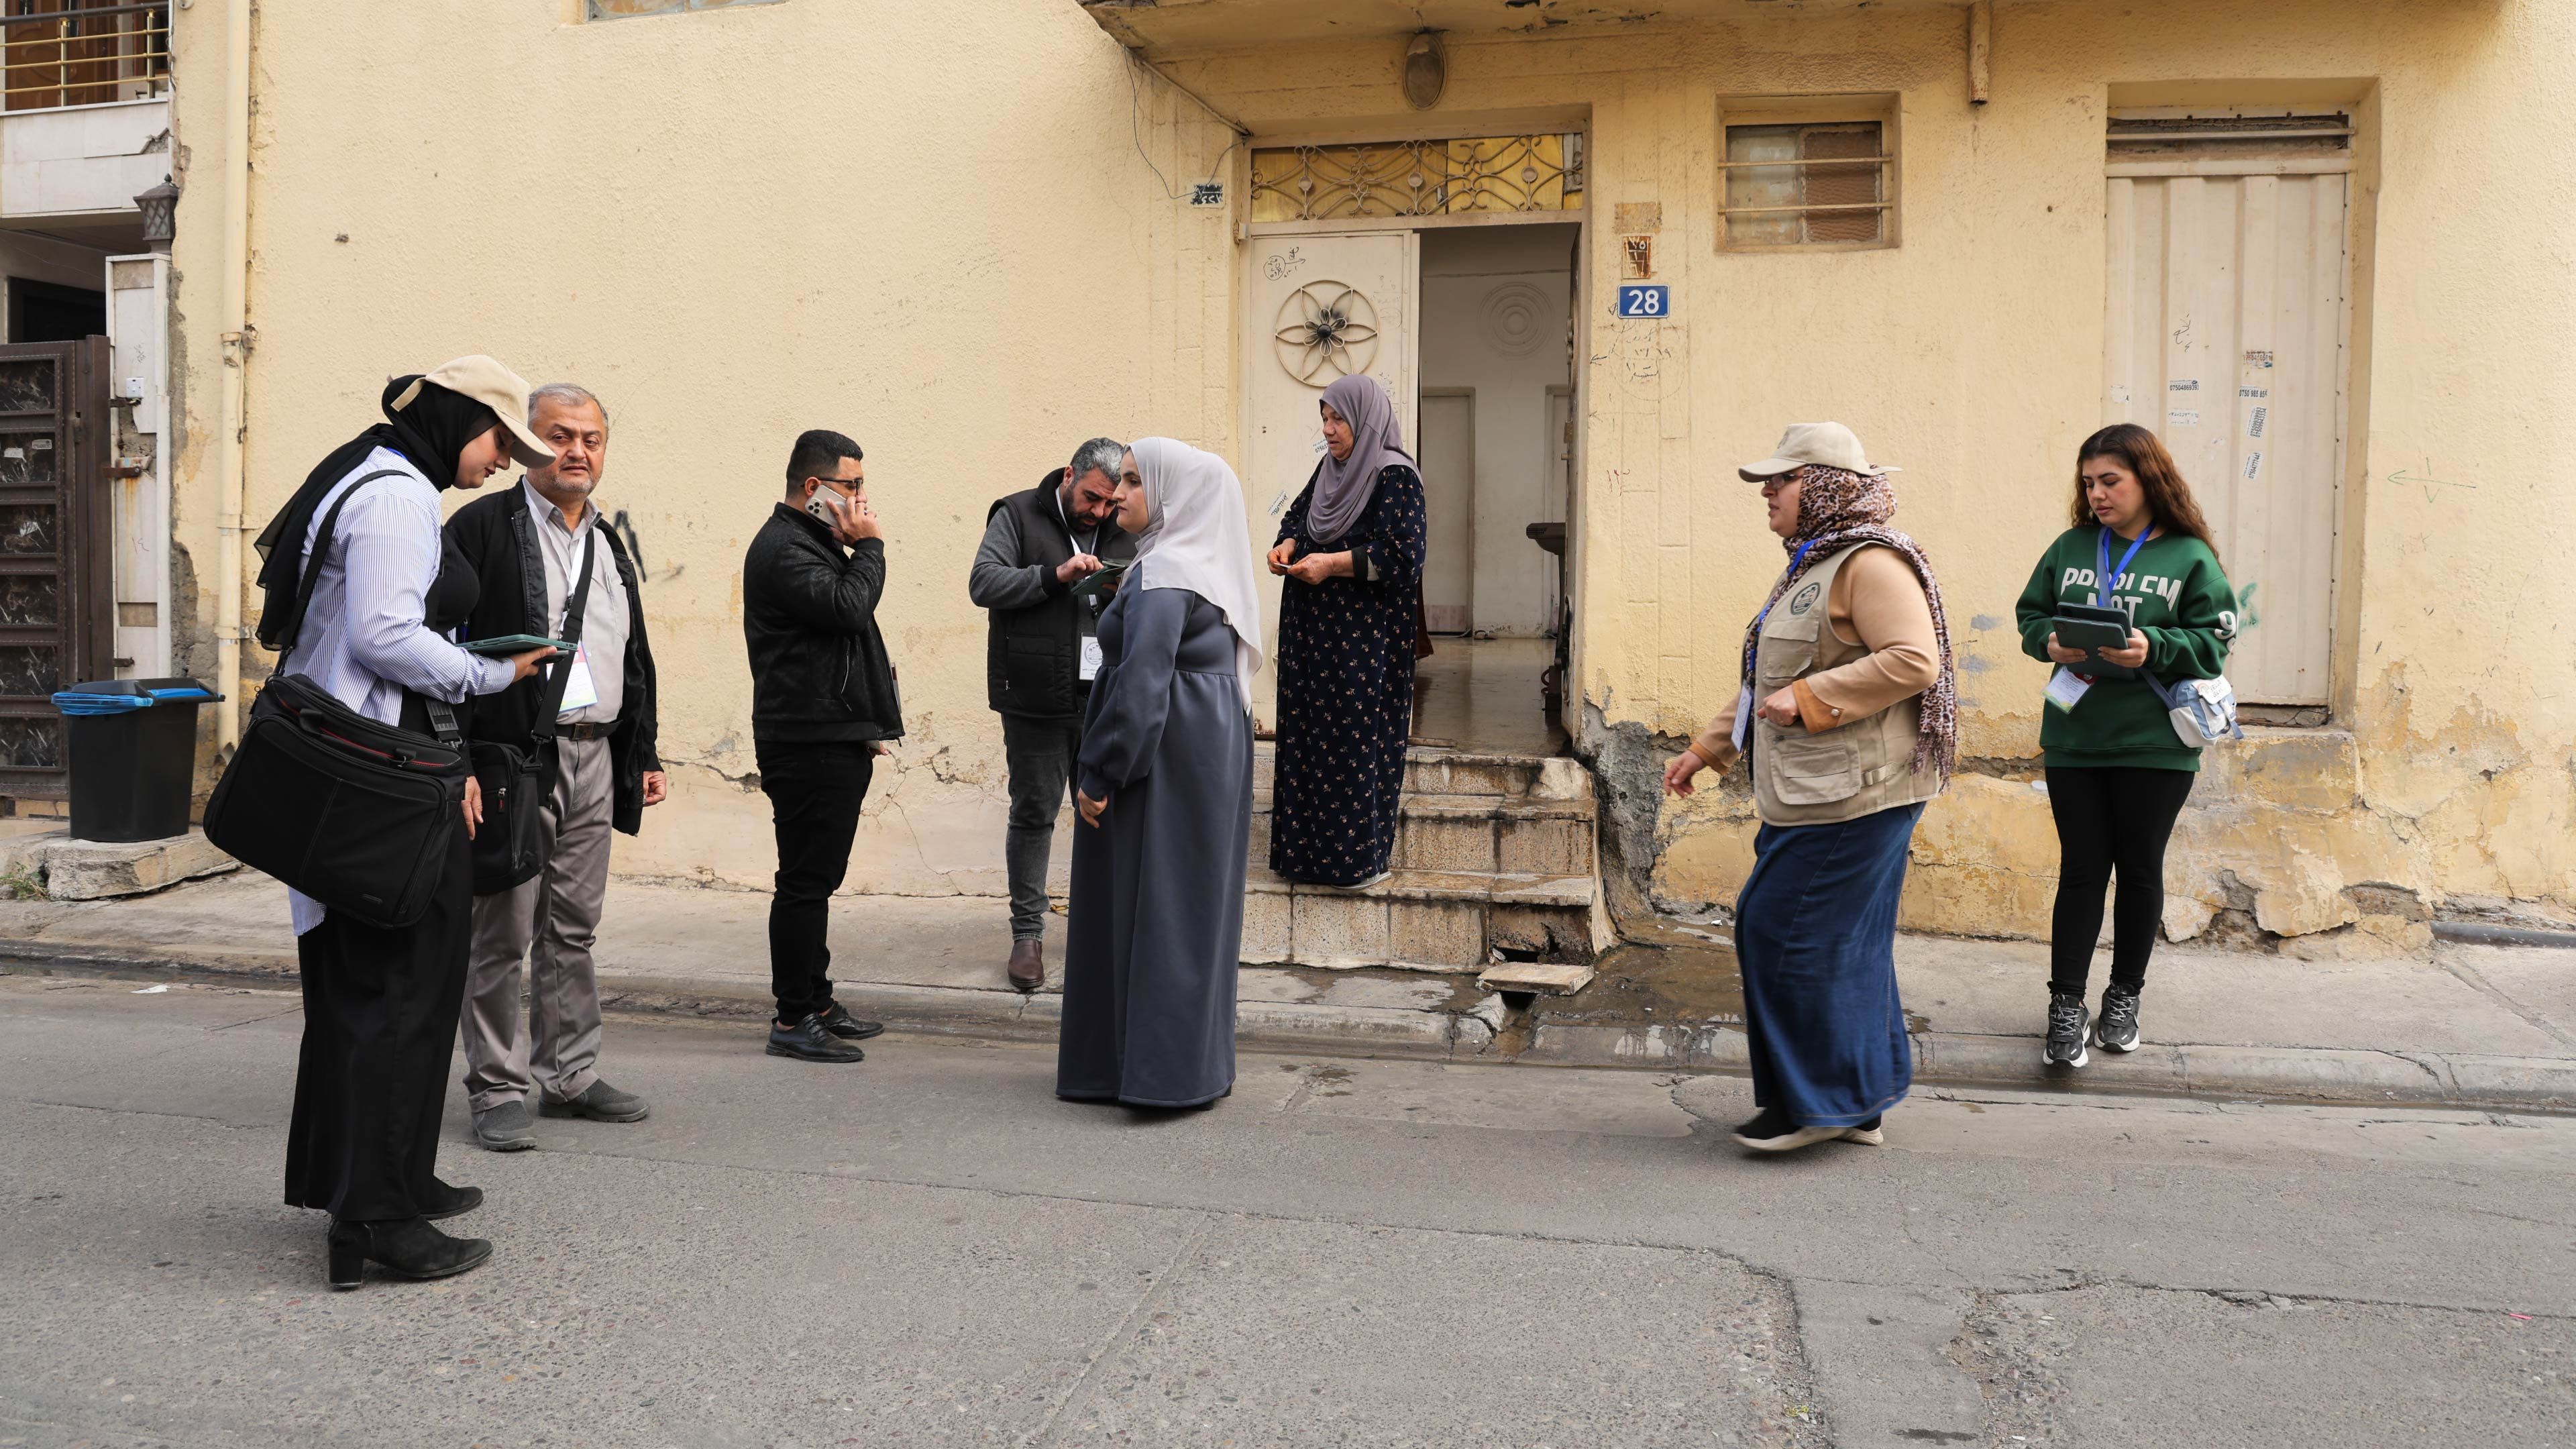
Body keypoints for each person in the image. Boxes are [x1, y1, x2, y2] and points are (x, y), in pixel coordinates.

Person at [250, 355, 559, 1286]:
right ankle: (376, 1224)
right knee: (397, 993)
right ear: (462, 418)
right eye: (501, 439)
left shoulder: (369, 472)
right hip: (375, 779)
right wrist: (488, 674)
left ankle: (377, 1183)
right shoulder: (395, 499)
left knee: (370, 990)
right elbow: (384, 636)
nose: (507, 461)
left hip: (361, 768)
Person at [1662, 422, 1957, 1155]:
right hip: (1817, 789)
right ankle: (1857, 1101)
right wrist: (1707, 749)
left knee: (1778, 932)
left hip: (1859, 794)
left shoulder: (1870, 564)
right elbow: (1768, 678)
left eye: (1783, 480)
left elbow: (1914, 660)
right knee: (1844, 945)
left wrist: (1816, 697)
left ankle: (1810, 1106)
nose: (1768, 492)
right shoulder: (1813, 565)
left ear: (1824, 487)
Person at [446, 383, 666, 1150]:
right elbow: (441, 647)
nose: (578, 451)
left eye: (593, 439)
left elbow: (630, 654)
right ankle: (496, 1086)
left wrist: (644, 750)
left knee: (573, 928)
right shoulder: (481, 527)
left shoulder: (609, 544)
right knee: (502, 930)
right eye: (561, 436)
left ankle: (569, 1075)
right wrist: (461, 759)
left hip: (596, 752)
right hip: (512, 758)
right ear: (530, 444)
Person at [2013, 423, 2237, 1068]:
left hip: (2156, 742)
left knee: (2139, 871)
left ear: (2149, 479)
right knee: (2082, 871)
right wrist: (2047, 641)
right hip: (2076, 735)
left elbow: (2215, 640)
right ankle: (2064, 1007)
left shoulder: (2189, 556)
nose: (2097, 494)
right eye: (2088, 483)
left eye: (2110, 480)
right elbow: (2032, 615)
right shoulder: (2072, 546)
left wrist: (2155, 647)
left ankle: (2123, 998)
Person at [1059, 437, 1263, 1109]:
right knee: (1193, 908)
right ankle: (1189, 1066)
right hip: (1209, 750)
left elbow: (1141, 694)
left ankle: (1148, 1074)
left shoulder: (1163, 573)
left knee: (1153, 906)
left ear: (1177, 497)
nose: (1118, 493)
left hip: (1163, 762)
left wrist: (1098, 773)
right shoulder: (1204, 569)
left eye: (1136, 482)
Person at [743, 429, 902, 1063]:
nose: (861, 500)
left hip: (829, 735)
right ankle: (791, 1017)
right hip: (804, 741)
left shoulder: (812, 542)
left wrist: (861, 725)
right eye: (852, 486)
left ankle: (817, 1000)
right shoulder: (784, 548)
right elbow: (849, 608)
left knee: (818, 879)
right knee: (805, 883)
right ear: (813, 490)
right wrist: (872, 547)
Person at [968, 437, 1138, 991]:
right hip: (1035, 699)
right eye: (1091, 498)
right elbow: (984, 582)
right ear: (1070, 474)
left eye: (1109, 504)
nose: (1098, 512)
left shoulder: (1125, 524)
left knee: (1103, 814)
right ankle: (1027, 937)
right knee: (1035, 813)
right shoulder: (1016, 513)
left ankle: (1103, 933)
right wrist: (1056, 575)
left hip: (1102, 696)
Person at [1265, 374, 1428, 889]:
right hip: (1312, 636)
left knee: (1353, 744)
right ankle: (1306, 860)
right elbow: (1299, 516)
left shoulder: (1395, 476)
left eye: (1339, 419)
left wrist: (1331, 565)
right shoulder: (1330, 470)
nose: (1329, 430)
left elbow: (1403, 556)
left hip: (1363, 643)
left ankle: (1357, 863)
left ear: (1365, 420)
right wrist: (1286, 546)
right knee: (1309, 742)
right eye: (1325, 418)